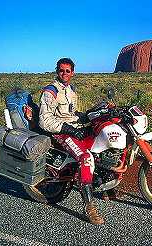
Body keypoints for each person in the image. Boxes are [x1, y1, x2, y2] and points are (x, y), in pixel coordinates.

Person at [38, 58, 104, 225]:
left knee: (100, 142)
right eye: (61, 70)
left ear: (72, 73)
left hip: (74, 128)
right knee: (85, 157)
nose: (64, 73)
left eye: (68, 71)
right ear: (56, 71)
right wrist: (69, 129)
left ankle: (98, 182)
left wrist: (90, 114)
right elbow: (45, 121)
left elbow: (72, 113)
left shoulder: (71, 89)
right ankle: (89, 207)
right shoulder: (50, 91)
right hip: (61, 133)